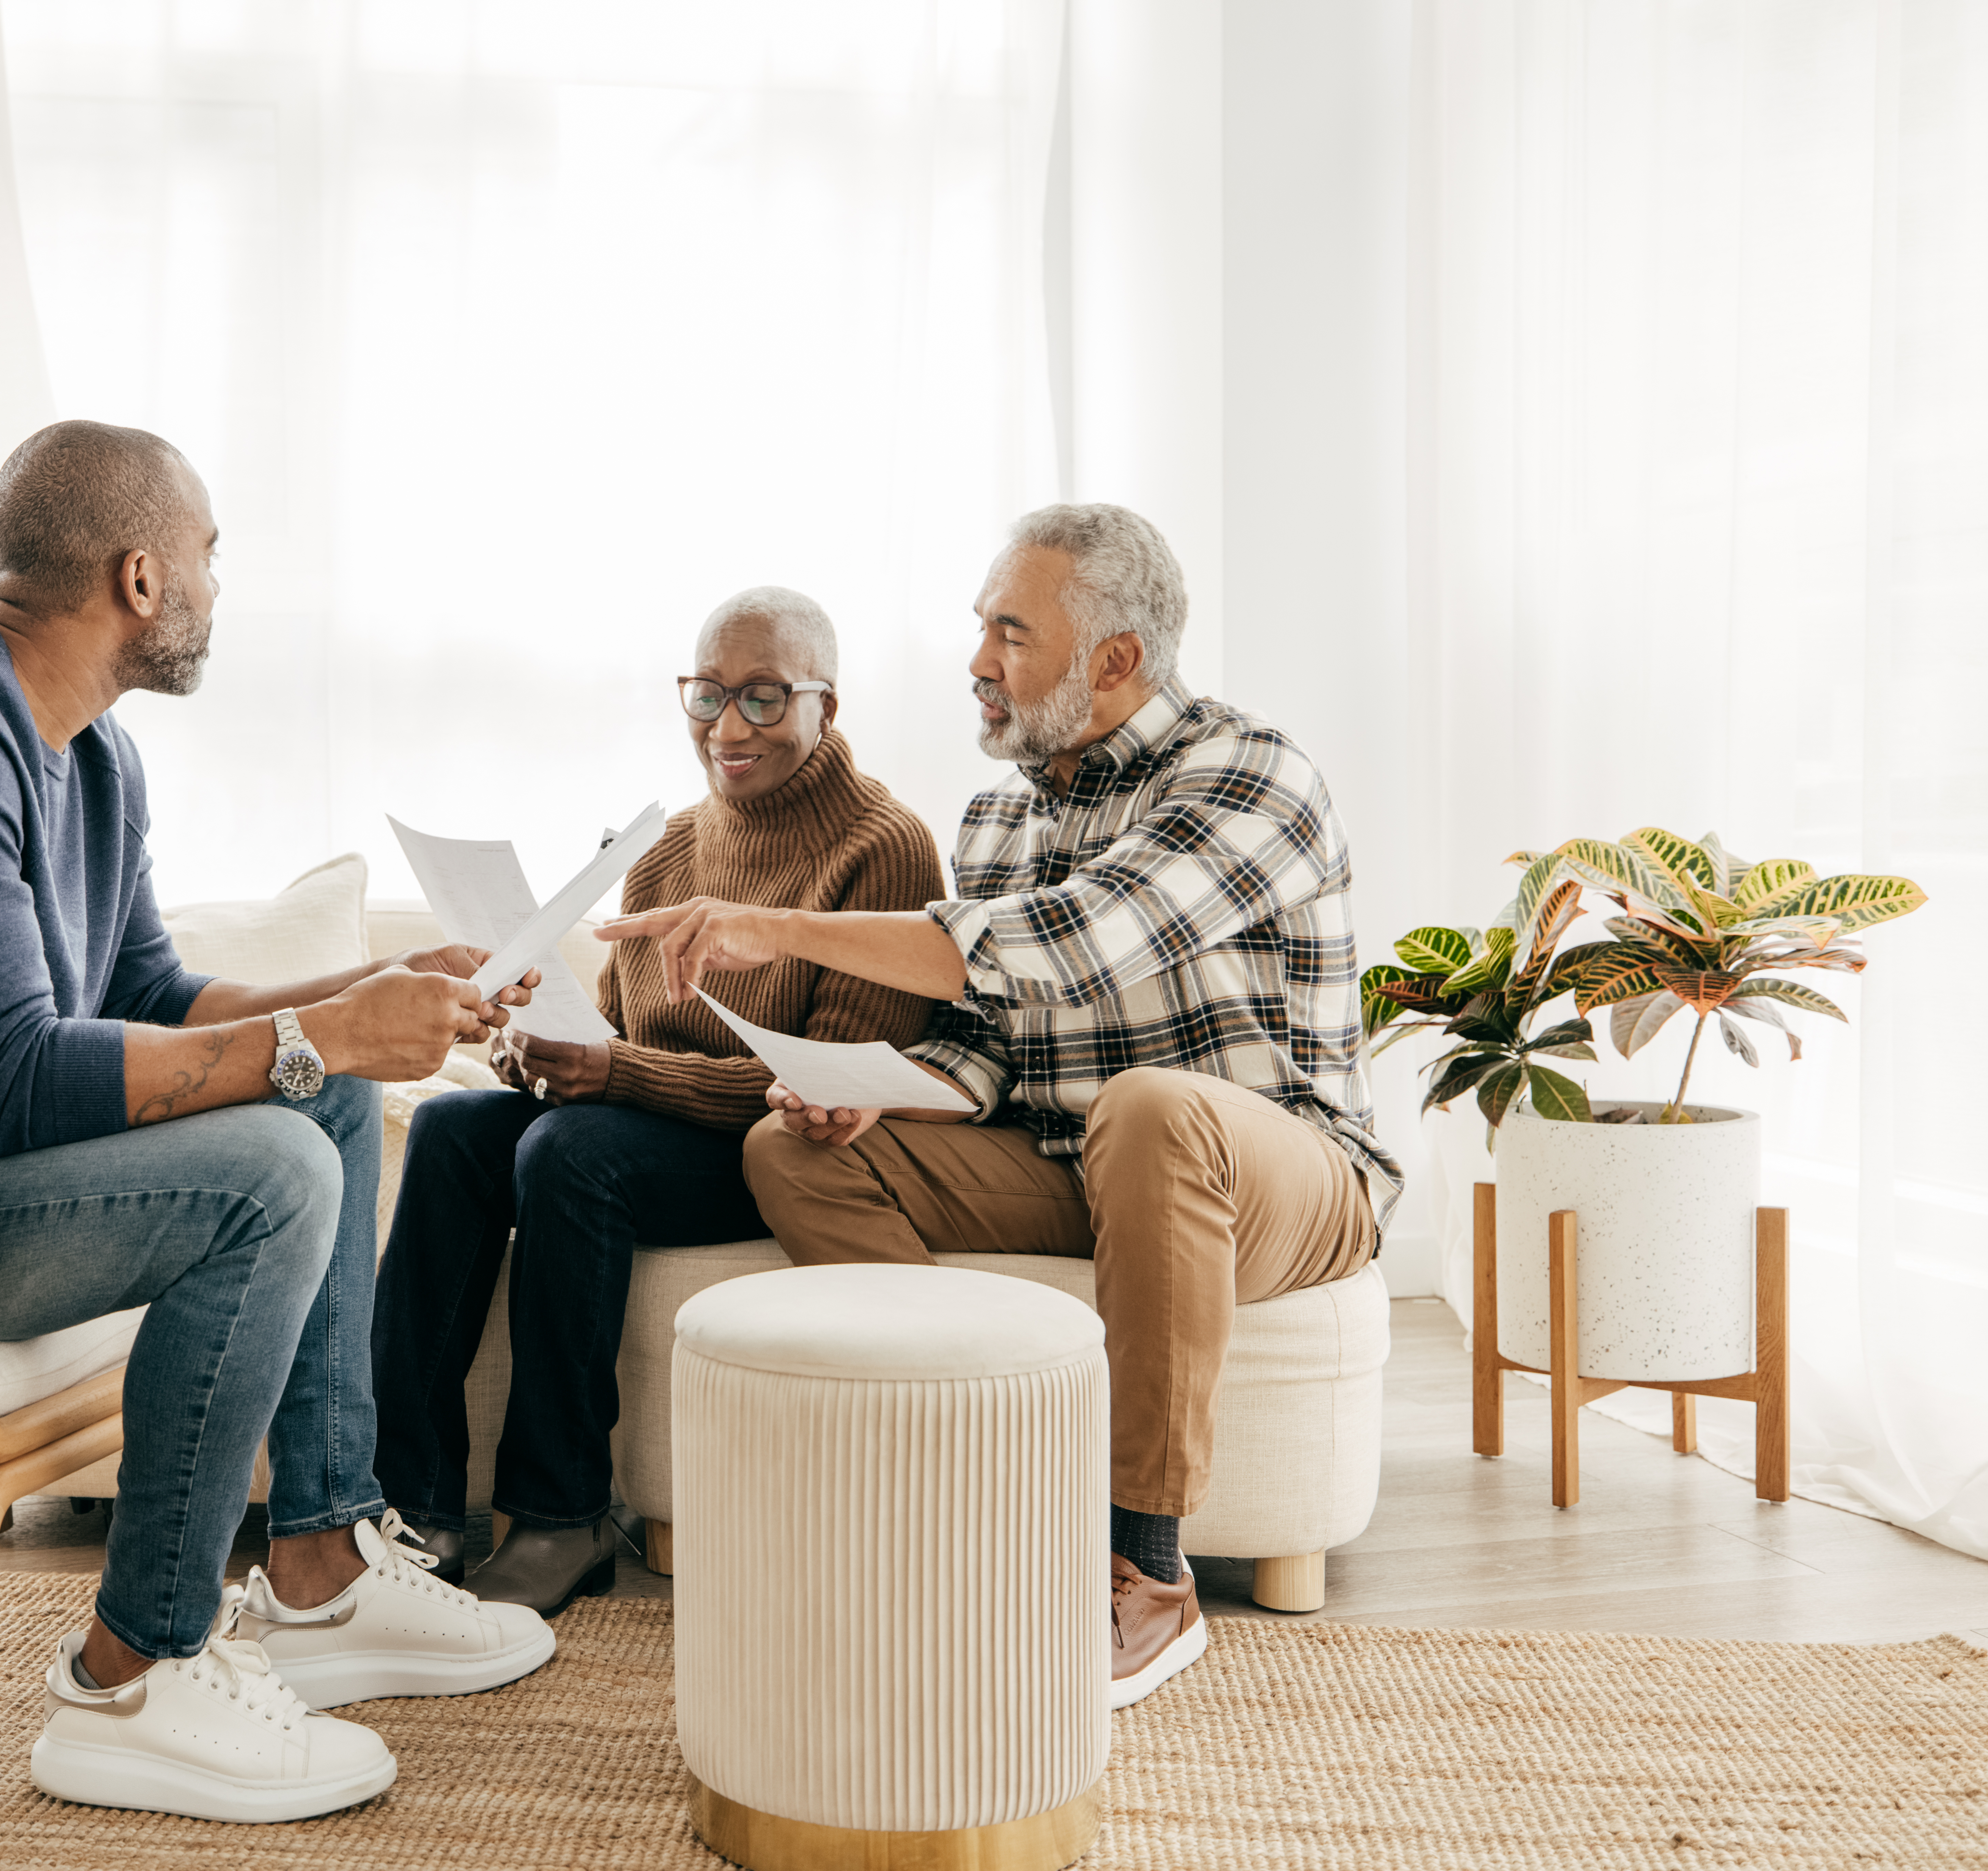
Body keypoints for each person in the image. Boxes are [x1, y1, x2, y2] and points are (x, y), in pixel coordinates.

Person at [0, 420, 556, 1825]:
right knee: (270, 1169)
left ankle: (321, 1566)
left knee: (330, 1095)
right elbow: (10, 1072)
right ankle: (133, 1671)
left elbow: (148, 995)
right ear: (140, 577)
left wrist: (359, 1001)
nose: (215, 585)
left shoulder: (92, 755)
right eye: (207, 555)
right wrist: (314, 1036)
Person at [599, 505, 1403, 1712]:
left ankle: (1150, 1569)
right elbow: (983, 1051)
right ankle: (970, 1489)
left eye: (1010, 635)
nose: (977, 662)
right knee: (792, 1150)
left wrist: (771, 927)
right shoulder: (1003, 818)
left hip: (1281, 1178)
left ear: (1116, 661)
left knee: (1155, 1111)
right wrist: (871, 1100)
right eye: (981, 628)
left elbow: (1071, 950)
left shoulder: (1250, 774)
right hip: (1081, 1165)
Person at [369, 588, 947, 1616]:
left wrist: (614, 1079)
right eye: (709, 695)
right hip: (632, 1125)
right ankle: (408, 1506)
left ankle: (561, 1516)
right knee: (456, 1129)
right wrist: (529, 1047)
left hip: (770, 1144)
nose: (729, 727)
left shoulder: (883, 846)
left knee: (572, 1152)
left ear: (827, 704)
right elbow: (620, 1042)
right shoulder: (666, 848)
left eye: (765, 699)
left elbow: (825, 1085)